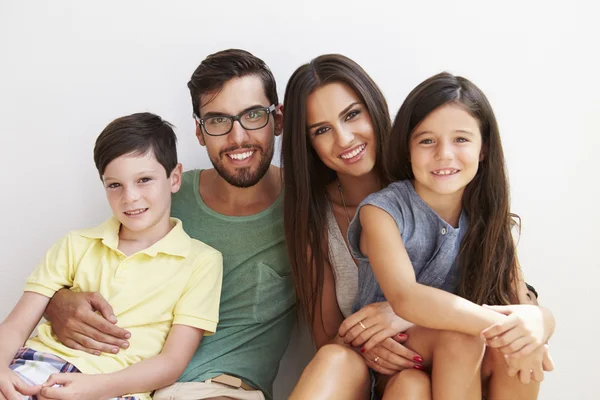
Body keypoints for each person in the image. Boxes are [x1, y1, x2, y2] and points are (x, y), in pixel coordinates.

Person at [282, 56, 554, 400]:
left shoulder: (446, 184)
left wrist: (405, 313)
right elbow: (330, 337)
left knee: (427, 377)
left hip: (459, 358)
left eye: (352, 114)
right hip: (372, 365)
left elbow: (517, 297)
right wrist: (390, 322)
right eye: (321, 130)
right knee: (343, 360)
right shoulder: (324, 217)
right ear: (307, 143)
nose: (344, 138)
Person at [43, 49, 294, 400]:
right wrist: (56, 302)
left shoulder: (304, 210)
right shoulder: (158, 192)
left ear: (278, 120)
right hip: (120, 382)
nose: (238, 138)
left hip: (217, 389)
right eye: (218, 120)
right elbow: (93, 261)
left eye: (253, 115)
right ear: (199, 131)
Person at [0, 112, 223, 400]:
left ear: (174, 178)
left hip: (114, 388)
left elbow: (171, 363)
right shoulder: (75, 244)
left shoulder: (202, 261)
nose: (130, 197)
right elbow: (16, 324)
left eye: (144, 180)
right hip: (35, 367)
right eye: (115, 185)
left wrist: (92, 387)